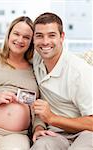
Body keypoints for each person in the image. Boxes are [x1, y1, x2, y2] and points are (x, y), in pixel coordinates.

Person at [30, 12, 93, 150]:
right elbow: (9, 53)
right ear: (33, 39)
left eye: (52, 35)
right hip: (55, 133)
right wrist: (39, 127)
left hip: (86, 132)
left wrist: (52, 118)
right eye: (39, 36)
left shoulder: (80, 72)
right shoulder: (36, 58)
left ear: (62, 37)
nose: (45, 42)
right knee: (40, 146)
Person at [0, 16, 39, 150]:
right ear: (9, 34)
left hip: (17, 135)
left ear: (31, 42)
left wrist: (39, 128)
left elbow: (40, 108)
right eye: (16, 34)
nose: (20, 40)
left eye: (26, 37)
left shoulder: (36, 69)